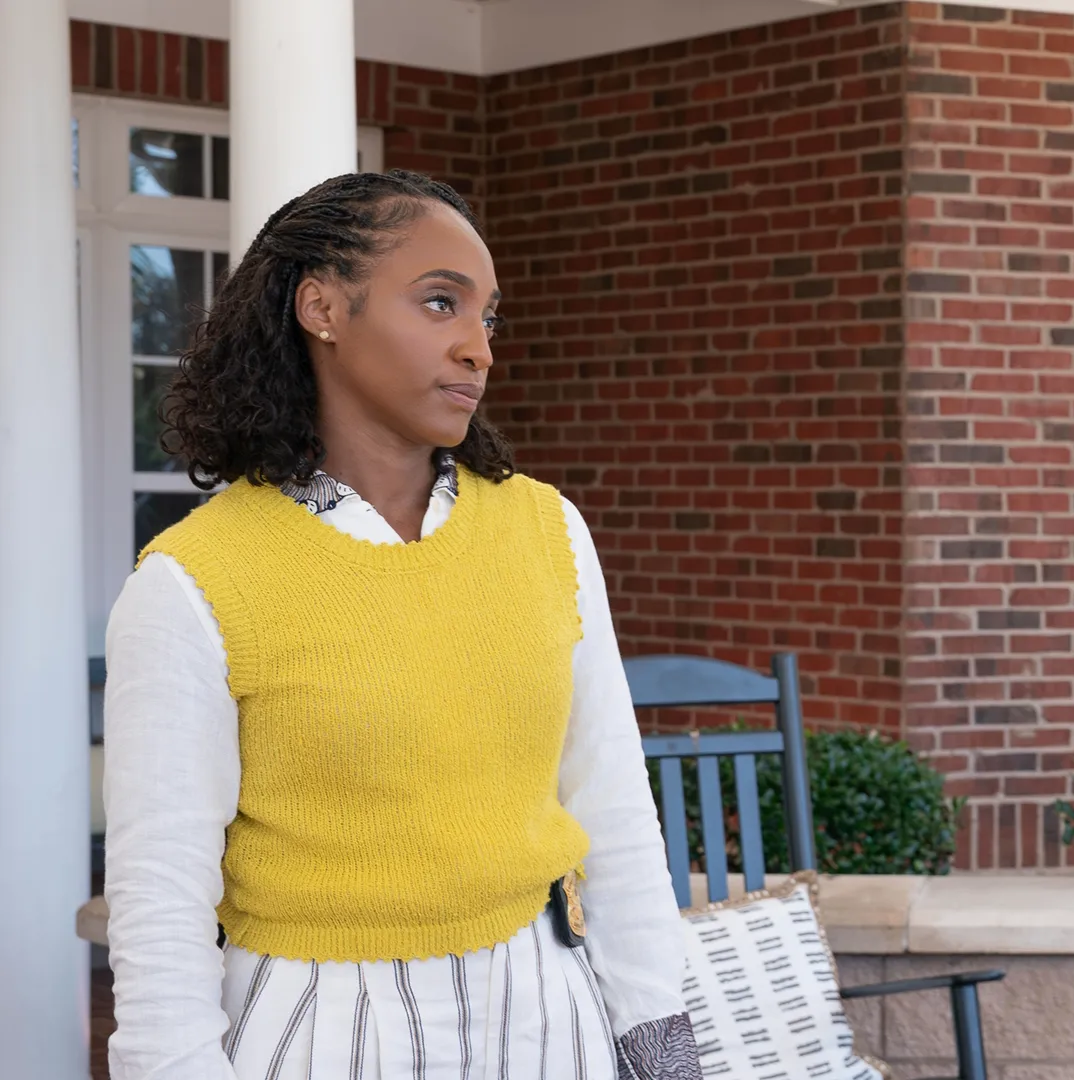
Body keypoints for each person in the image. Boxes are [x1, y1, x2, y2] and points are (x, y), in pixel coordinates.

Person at [103, 170, 701, 1080]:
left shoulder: (547, 530)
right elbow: (160, 900)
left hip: (553, 1011)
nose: (478, 349)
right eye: (439, 303)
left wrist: (656, 1041)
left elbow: (612, 802)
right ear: (322, 308)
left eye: (488, 319)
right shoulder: (193, 582)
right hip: (324, 1029)